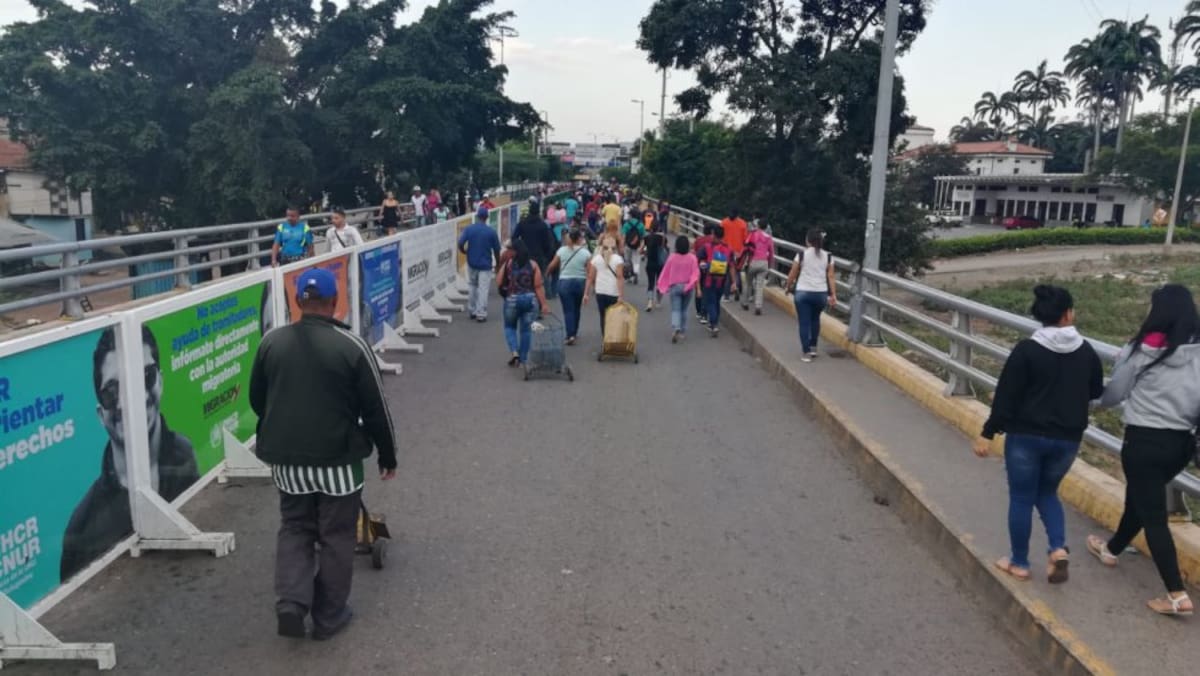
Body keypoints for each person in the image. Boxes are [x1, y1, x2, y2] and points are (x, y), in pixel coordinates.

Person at [249, 267, 397, 640]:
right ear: (335, 302)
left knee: (295, 526)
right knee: (336, 535)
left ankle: (291, 602)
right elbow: (376, 409)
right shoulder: (352, 346)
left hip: (286, 461)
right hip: (338, 462)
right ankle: (329, 617)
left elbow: (257, 399)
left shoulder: (271, 342)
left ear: (298, 302)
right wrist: (387, 456)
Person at [971, 285, 1104, 584]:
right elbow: (1095, 391)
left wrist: (987, 433)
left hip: (1026, 436)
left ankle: (1019, 562)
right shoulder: (1086, 352)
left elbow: (1006, 396)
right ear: (1068, 314)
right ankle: (1057, 548)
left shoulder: (1026, 350)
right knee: (1047, 492)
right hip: (1067, 439)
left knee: (1021, 497)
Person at [1089, 284, 1200, 616]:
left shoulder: (1141, 349)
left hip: (1144, 442)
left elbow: (1115, 394)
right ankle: (1111, 549)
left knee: (1153, 516)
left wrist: (1090, 401)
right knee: (1140, 499)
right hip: (1182, 444)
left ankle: (1176, 595)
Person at [60, 326, 199, 580]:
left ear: (160, 381)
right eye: (112, 392)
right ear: (100, 415)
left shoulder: (187, 455)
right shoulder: (83, 526)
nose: (130, 400)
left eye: (145, 376)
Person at [785, 229, 837, 362]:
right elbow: (831, 276)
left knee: (804, 322)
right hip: (820, 294)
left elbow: (793, 273)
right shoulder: (828, 256)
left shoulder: (801, 254)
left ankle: (806, 352)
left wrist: (788, 286)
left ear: (808, 240)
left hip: (803, 293)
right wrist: (833, 294)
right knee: (815, 319)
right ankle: (813, 348)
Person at [496, 240, 551, 367]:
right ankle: (523, 359)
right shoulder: (533, 265)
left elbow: (498, 281)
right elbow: (538, 286)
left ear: (514, 251)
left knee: (509, 327)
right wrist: (544, 304)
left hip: (512, 300)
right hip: (530, 300)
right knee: (526, 330)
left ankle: (514, 352)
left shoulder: (508, 264)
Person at [457, 207, 502, 322]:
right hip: (485, 264)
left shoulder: (469, 229)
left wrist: (463, 251)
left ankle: (472, 310)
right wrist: (498, 264)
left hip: (472, 262)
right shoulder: (491, 232)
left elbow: (460, 242)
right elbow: (497, 250)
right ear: (487, 217)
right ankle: (481, 313)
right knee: (483, 289)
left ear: (477, 216)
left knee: (472, 286)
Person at [547, 229, 591, 345]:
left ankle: (570, 334)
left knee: (568, 310)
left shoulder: (562, 250)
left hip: (565, 282)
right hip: (580, 282)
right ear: (579, 239)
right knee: (576, 308)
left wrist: (546, 274)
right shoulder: (585, 253)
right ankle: (574, 332)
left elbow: (552, 265)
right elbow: (589, 271)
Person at [656, 235, 700, 344]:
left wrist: (662, 284)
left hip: (675, 286)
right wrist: (696, 287)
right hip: (687, 287)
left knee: (676, 309)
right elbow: (696, 273)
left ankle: (676, 327)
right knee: (684, 310)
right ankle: (682, 331)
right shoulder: (692, 258)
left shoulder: (672, 257)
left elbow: (665, 271)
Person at [584, 235, 625, 337]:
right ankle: (612, 337)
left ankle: (605, 338)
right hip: (613, 292)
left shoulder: (596, 259)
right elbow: (620, 277)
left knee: (603, 316)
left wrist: (586, 294)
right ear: (614, 247)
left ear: (602, 246)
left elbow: (590, 277)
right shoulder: (618, 259)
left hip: (600, 291)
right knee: (613, 316)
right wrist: (621, 295)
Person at [695, 225, 733, 338]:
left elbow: (698, 259)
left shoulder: (707, 247)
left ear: (713, 234)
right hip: (723, 280)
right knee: (716, 301)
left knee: (711, 302)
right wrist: (734, 282)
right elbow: (731, 266)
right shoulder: (728, 249)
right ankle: (714, 322)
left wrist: (703, 265)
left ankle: (714, 324)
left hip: (709, 279)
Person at [742, 218, 775, 314]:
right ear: (766, 227)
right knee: (760, 285)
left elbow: (746, 247)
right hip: (764, 262)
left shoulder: (752, 235)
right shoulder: (768, 238)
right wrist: (770, 264)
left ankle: (745, 303)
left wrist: (743, 261)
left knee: (748, 283)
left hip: (752, 261)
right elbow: (771, 253)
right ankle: (758, 306)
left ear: (758, 225)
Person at [720, 208, 749, 301]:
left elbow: (720, 236)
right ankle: (737, 288)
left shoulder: (723, 223)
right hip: (738, 252)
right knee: (737, 270)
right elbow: (745, 240)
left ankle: (727, 294)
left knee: (727, 273)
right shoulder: (743, 224)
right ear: (738, 214)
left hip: (725, 251)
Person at [641, 225, 668, 312]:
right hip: (660, 264)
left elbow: (641, 250)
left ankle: (649, 302)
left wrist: (645, 252)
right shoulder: (663, 238)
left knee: (651, 283)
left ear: (651, 229)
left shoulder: (647, 238)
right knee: (659, 283)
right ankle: (658, 302)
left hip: (650, 264)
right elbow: (665, 249)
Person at [693, 225, 715, 323]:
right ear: (712, 231)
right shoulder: (713, 241)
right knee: (707, 289)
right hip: (710, 267)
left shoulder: (699, 240)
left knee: (698, 288)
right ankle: (704, 312)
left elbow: (694, 252)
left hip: (699, 266)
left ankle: (698, 311)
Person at [622, 210, 645, 285]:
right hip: (637, 246)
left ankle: (629, 276)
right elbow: (643, 238)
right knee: (636, 261)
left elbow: (623, 237)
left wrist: (622, 246)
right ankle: (636, 274)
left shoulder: (626, 224)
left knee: (628, 261)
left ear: (631, 215)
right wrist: (641, 247)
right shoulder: (641, 225)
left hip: (628, 245)